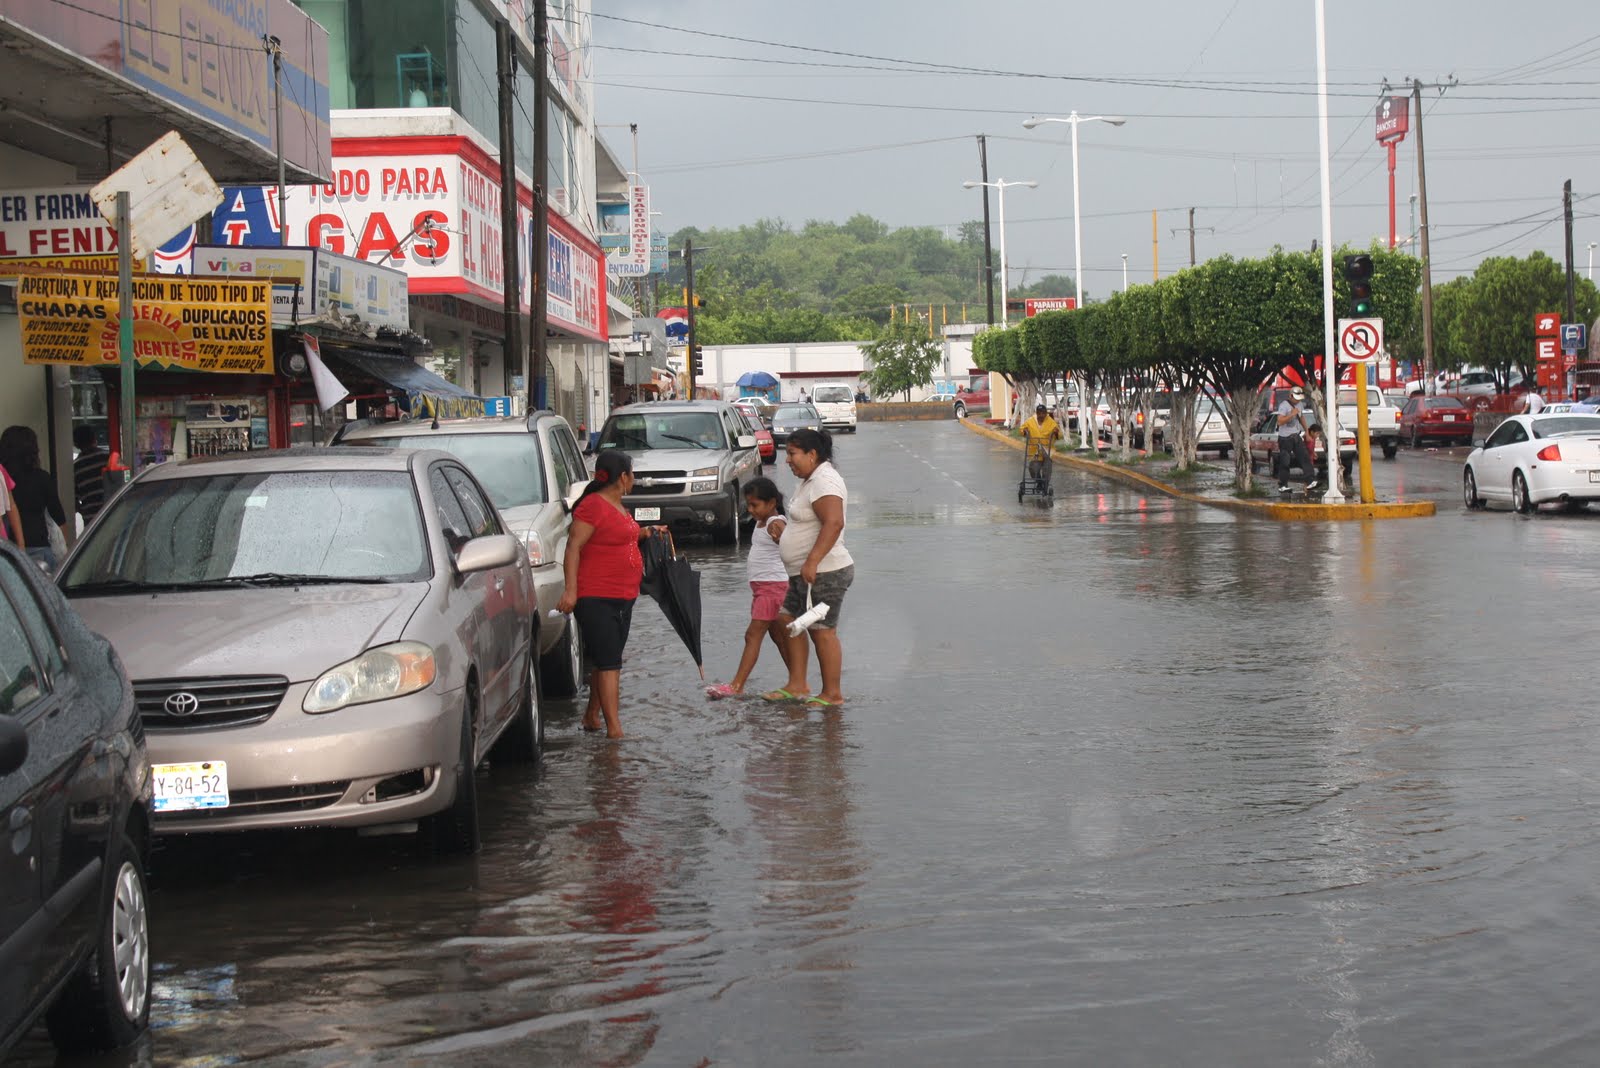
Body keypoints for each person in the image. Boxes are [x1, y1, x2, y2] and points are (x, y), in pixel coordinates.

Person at [555, 449, 664, 739]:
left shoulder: (617, 505)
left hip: (623, 595)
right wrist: (570, 590)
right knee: (609, 663)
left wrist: (647, 531)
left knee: (609, 658)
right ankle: (615, 732)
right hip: (596, 596)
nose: (634, 479)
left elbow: (620, 536)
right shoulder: (593, 505)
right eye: (632, 474)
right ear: (623, 477)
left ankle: (592, 716)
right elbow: (573, 548)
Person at [764, 429, 852, 707]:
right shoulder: (810, 480)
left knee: (822, 630)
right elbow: (810, 523)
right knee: (786, 620)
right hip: (805, 571)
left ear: (812, 455)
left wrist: (812, 560)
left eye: (792, 454)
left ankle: (832, 694)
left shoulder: (825, 481)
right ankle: (798, 683)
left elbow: (834, 522)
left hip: (826, 570)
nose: (787, 460)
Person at [705, 478, 796, 699]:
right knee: (780, 638)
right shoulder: (762, 522)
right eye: (749, 505)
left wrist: (781, 539)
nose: (751, 510)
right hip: (765, 589)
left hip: (773, 589)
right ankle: (797, 681)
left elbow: (788, 544)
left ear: (772, 502)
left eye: (756, 505)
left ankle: (737, 685)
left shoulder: (775, 522)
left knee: (752, 635)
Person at [0, 426, 65, 571]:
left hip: (7, 550)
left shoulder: (3, 478)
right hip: (39, 547)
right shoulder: (42, 478)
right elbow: (59, 518)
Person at [1273, 386, 1316, 493]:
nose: (1298, 401)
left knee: (1305, 458)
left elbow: (1301, 418)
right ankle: (1283, 485)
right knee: (1285, 462)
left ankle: (1310, 481)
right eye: (1296, 398)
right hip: (1285, 438)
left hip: (1296, 436)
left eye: (1299, 398)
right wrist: (1291, 414)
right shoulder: (1284, 406)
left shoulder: (1300, 405)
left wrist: (1306, 431)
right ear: (1291, 395)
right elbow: (1279, 422)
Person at [72, 426, 108, 524]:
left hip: (91, 522)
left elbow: (74, 501)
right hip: (111, 514)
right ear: (94, 439)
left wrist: (84, 511)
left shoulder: (75, 467)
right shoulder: (107, 457)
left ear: (76, 444)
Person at [1019, 402, 1062, 482]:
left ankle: (1045, 484)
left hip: (1047, 450)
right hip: (1035, 450)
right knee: (1033, 468)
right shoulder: (1030, 421)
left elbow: (1059, 434)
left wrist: (1056, 432)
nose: (1041, 415)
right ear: (1037, 413)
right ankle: (1039, 482)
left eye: (1043, 413)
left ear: (1046, 413)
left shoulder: (1051, 422)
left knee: (1047, 468)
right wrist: (1024, 431)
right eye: (1039, 413)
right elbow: (1022, 429)